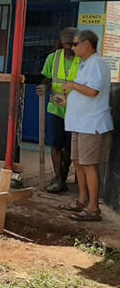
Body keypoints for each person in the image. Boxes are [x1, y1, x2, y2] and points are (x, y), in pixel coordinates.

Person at [61, 30, 114, 222]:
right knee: (78, 162)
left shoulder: (96, 64)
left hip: (92, 124)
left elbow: (92, 91)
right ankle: (82, 200)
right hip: (80, 123)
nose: (73, 47)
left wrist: (73, 86)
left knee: (89, 165)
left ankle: (93, 208)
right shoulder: (85, 64)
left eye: (76, 44)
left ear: (87, 44)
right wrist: (69, 100)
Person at [36, 28, 80, 193]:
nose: (69, 48)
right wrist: (43, 86)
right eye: (66, 44)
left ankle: (61, 176)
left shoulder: (82, 61)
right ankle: (59, 178)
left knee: (69, 147)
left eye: (72, 45)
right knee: (56, 144)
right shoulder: (53, 58)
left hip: (75, 110)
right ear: (61, 43)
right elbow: (47, 78)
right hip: (55, 108)